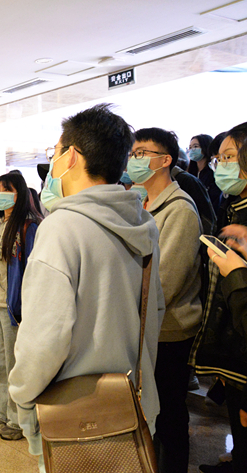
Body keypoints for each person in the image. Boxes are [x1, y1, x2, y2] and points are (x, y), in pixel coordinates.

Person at [7, 104, 164, 472]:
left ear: (72, 156)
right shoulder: (143, 223)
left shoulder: (62, 228)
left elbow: (45, 336)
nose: (53, 162)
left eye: (56, 152)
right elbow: (153, 314)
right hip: (132, 405)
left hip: (75, 416)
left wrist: (23, 397)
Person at [129, 127, 202, 473]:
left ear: (165, 160)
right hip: (145, 326)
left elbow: (166, 282)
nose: (134, 159)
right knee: (150, 414)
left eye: (142, 153)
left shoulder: (180, 209)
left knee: (170, 414)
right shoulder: (140, 204)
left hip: (169, 330)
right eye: (133, 153)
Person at [192, 122, 247, 473]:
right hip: (231, 332)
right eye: (219, 159)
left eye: (229, 157)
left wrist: (236, 271)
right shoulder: (233, 205)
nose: (221, 165)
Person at [0, 171, 40, 441]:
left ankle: (19, 421)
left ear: (20, 194)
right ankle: (3, 412)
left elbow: (32, 271)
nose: (0, 194)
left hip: (15, 309)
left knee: (16, 366)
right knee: (1, 364)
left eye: (7, 190)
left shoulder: (28, 227)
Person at [188, 133, 221, 213]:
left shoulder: (213, 172)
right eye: (190, 147)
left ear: (205, 147)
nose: (192, 150)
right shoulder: (190, 172)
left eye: (196, 146)